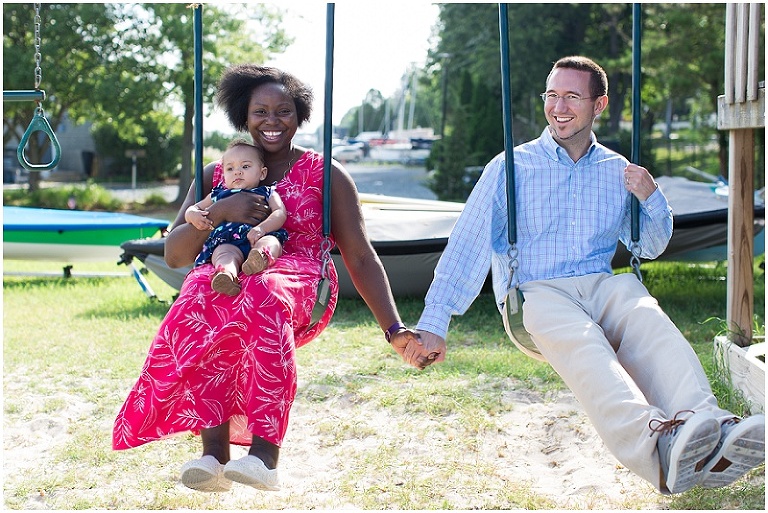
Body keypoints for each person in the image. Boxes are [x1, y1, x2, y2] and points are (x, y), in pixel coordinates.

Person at [409, 56, 765, 495]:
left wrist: (651, 196)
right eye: (552, 95)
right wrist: (435, 323)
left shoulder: (617, 169)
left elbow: (649, 246)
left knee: (651, 323)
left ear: (599, 105)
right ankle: (659, 443)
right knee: (588, 348)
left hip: (602, 283)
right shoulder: (510, 169)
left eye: (572, 97)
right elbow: (467, 246)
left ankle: (710, 424)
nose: (558, 107)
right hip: (537, 291)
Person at [113, 64, 422, 493]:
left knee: (262, 292)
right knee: (198, 296)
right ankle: (213, 454)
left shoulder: (324, 174)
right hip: (227, 270)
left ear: (300, 116)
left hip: (299, 279)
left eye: (284, 111)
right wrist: (220, 211)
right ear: (244, 115)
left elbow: (360, 255)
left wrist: (393, 328)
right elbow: (175, 253)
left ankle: (264, 456)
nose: (272, 121)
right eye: (261, 111)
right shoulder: (216, 174)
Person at [185, 139, 288, 296]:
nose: (237, 172)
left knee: (272, 242)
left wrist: (262, 228)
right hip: (228, 241)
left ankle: (260, 257)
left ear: (262, 173)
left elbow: (280, 213)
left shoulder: (267, 192)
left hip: (259, 236)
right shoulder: (218, 194)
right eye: (230, 168)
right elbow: (194, 208)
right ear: (224, 174)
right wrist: (193, 215)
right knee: (223, 253)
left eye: (245, 166)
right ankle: (226, 274)